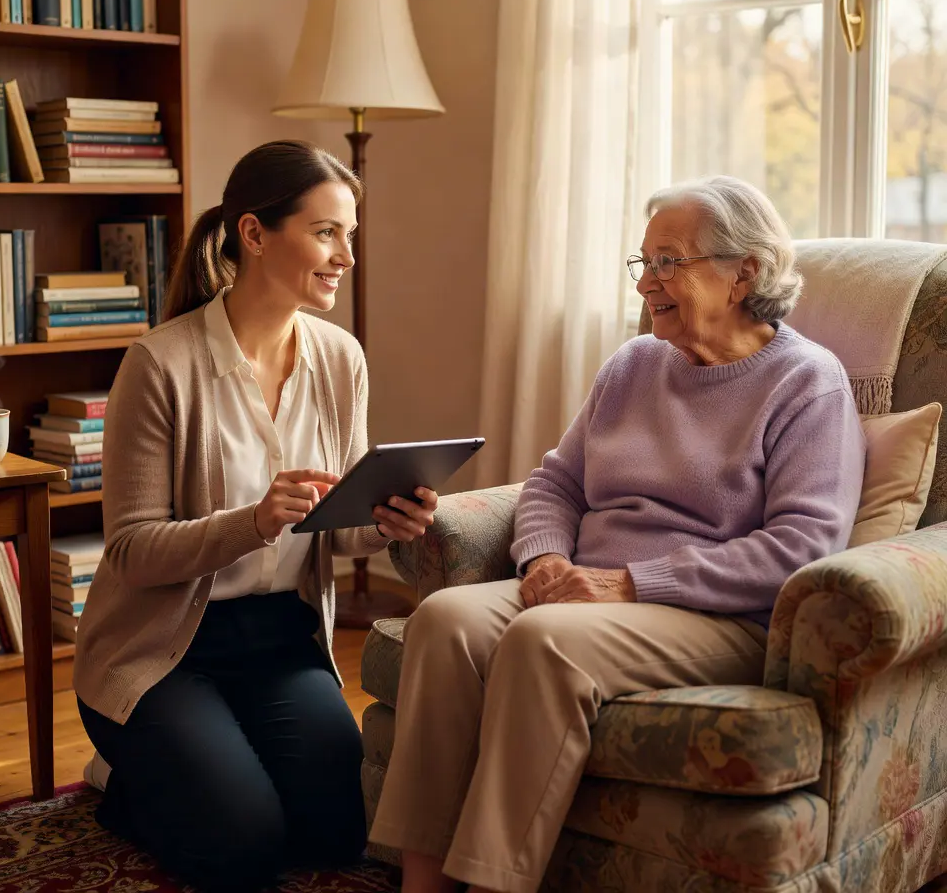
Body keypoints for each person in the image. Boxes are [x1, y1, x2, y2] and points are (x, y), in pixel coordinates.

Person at [370, 175, 866, 893]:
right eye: (643, 262)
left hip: (715, 614)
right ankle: (423, 885)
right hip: (586, 590)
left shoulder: (807, 383)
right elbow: (555, 483)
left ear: (744, 274)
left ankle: (492, 883)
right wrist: (544, 558)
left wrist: (631, 583)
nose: (646, 283)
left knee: (543, 641)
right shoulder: (634, 365)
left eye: (669, 262)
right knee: (445, 620)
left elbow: (803, 547)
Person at [73, 140, 439, 893]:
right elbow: (131, 553)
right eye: (326, 232)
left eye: (349, 235)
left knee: (340, 831)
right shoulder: (159, 364)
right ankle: (126, 775)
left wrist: (385, 520)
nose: (346, 257)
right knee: (243, 846)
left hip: (281, 641)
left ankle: (204, 763)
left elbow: (337, 527)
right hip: (162, 651)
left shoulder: (340, 358)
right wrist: (253, 521)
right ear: (254, 233)